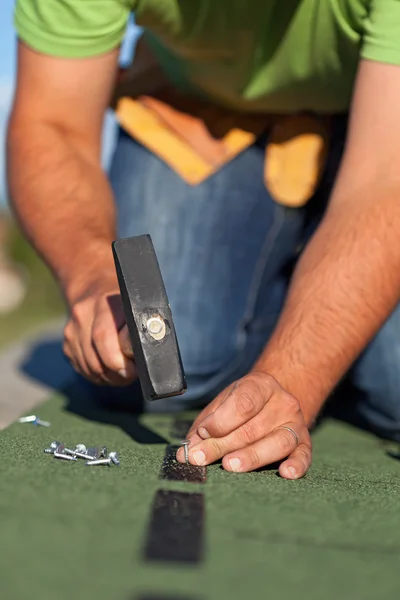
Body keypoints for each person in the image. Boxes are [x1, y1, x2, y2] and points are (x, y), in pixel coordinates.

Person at [7, 1, 400, 479]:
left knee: (393, 378)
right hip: (203, 109)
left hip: (383, 125)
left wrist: (291, 377)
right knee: (145, 363)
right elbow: (53, 123)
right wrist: (90, 273)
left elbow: (383, 181)